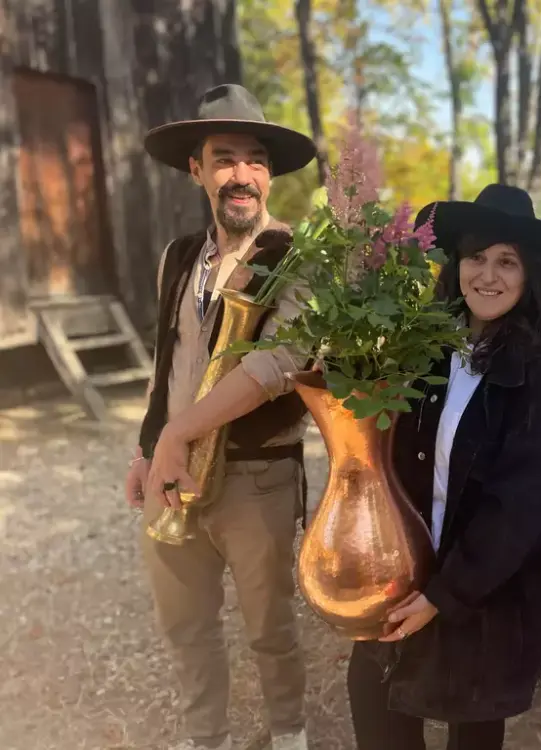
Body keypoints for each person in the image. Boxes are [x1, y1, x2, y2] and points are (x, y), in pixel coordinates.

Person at [345, 184, 541, 750]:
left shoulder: (540, 371)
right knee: (377, 703)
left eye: (507, 261)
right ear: (456, 263)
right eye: (476, 257)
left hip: (487, 594)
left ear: (530, 276)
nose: (488, 274)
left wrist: (444, 594)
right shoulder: (425, 345)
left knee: (472, 730)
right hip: (407, 570)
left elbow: (523, 502)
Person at [123, 84, 317, 750]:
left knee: (270, 629)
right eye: (225, 157)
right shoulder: (178, 257)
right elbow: (166, 364)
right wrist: (150, 447)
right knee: (185, 626)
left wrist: (180, 434)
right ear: (197, 170)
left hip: (256, 479)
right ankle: (204, 738)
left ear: (268, 174)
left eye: (255, 158)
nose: (242, 174)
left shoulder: (298, 257)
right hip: (171, 470)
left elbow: (275, 367)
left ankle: (288, 735)